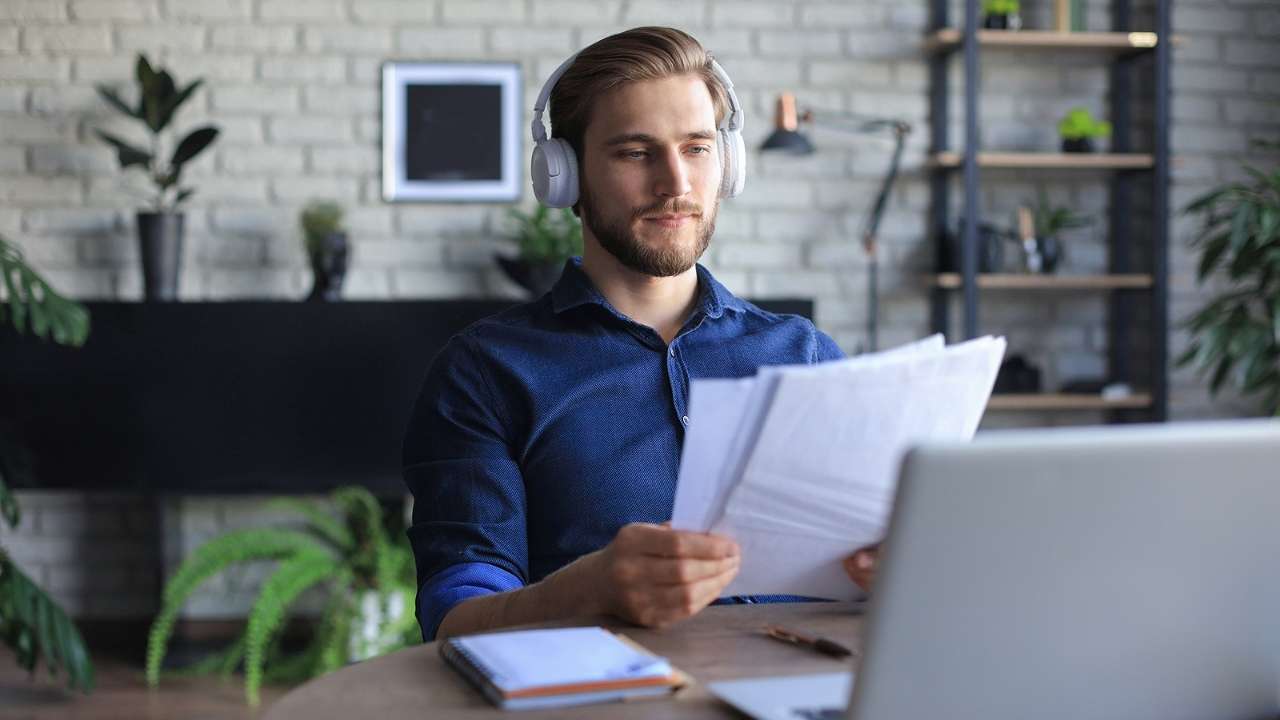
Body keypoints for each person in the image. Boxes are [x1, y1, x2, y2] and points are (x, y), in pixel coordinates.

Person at [402, 26, 878, 643]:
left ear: (727, 164)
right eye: (634, 152)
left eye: (697, 148)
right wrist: (587, 591)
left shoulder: (806, 354)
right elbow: (454, 620)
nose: (675, 184)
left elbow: (874, 553)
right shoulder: (484, 371)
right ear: (564, 176)